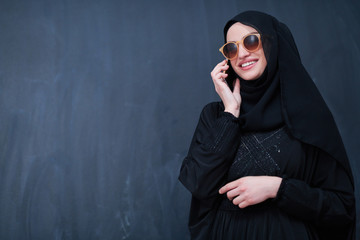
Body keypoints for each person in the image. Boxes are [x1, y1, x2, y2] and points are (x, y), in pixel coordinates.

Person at [178, 10, 355, 240]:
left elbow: (341, 207)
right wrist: (230, 114)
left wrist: (278, 189)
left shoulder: (307, 116)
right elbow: (199, 185)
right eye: (231, 48)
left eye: (251, 41)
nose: (241, 54)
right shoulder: (215, 117)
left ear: (272, 44)